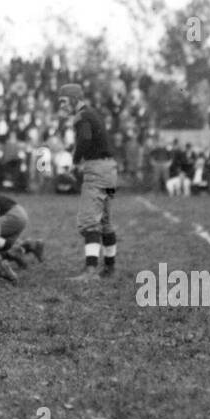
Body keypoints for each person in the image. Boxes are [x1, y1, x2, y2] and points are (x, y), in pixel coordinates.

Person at [57, 83, 119, 281]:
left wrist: (75, 161)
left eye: (64, 101)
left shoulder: (81, 116)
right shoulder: (91, 114)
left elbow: (84, 138)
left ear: (75, 99)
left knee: (88, 222)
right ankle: (109, 268)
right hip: (109, 170)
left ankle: (91, 271)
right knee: (106, 222)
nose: (62, 105)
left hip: (97, 171)